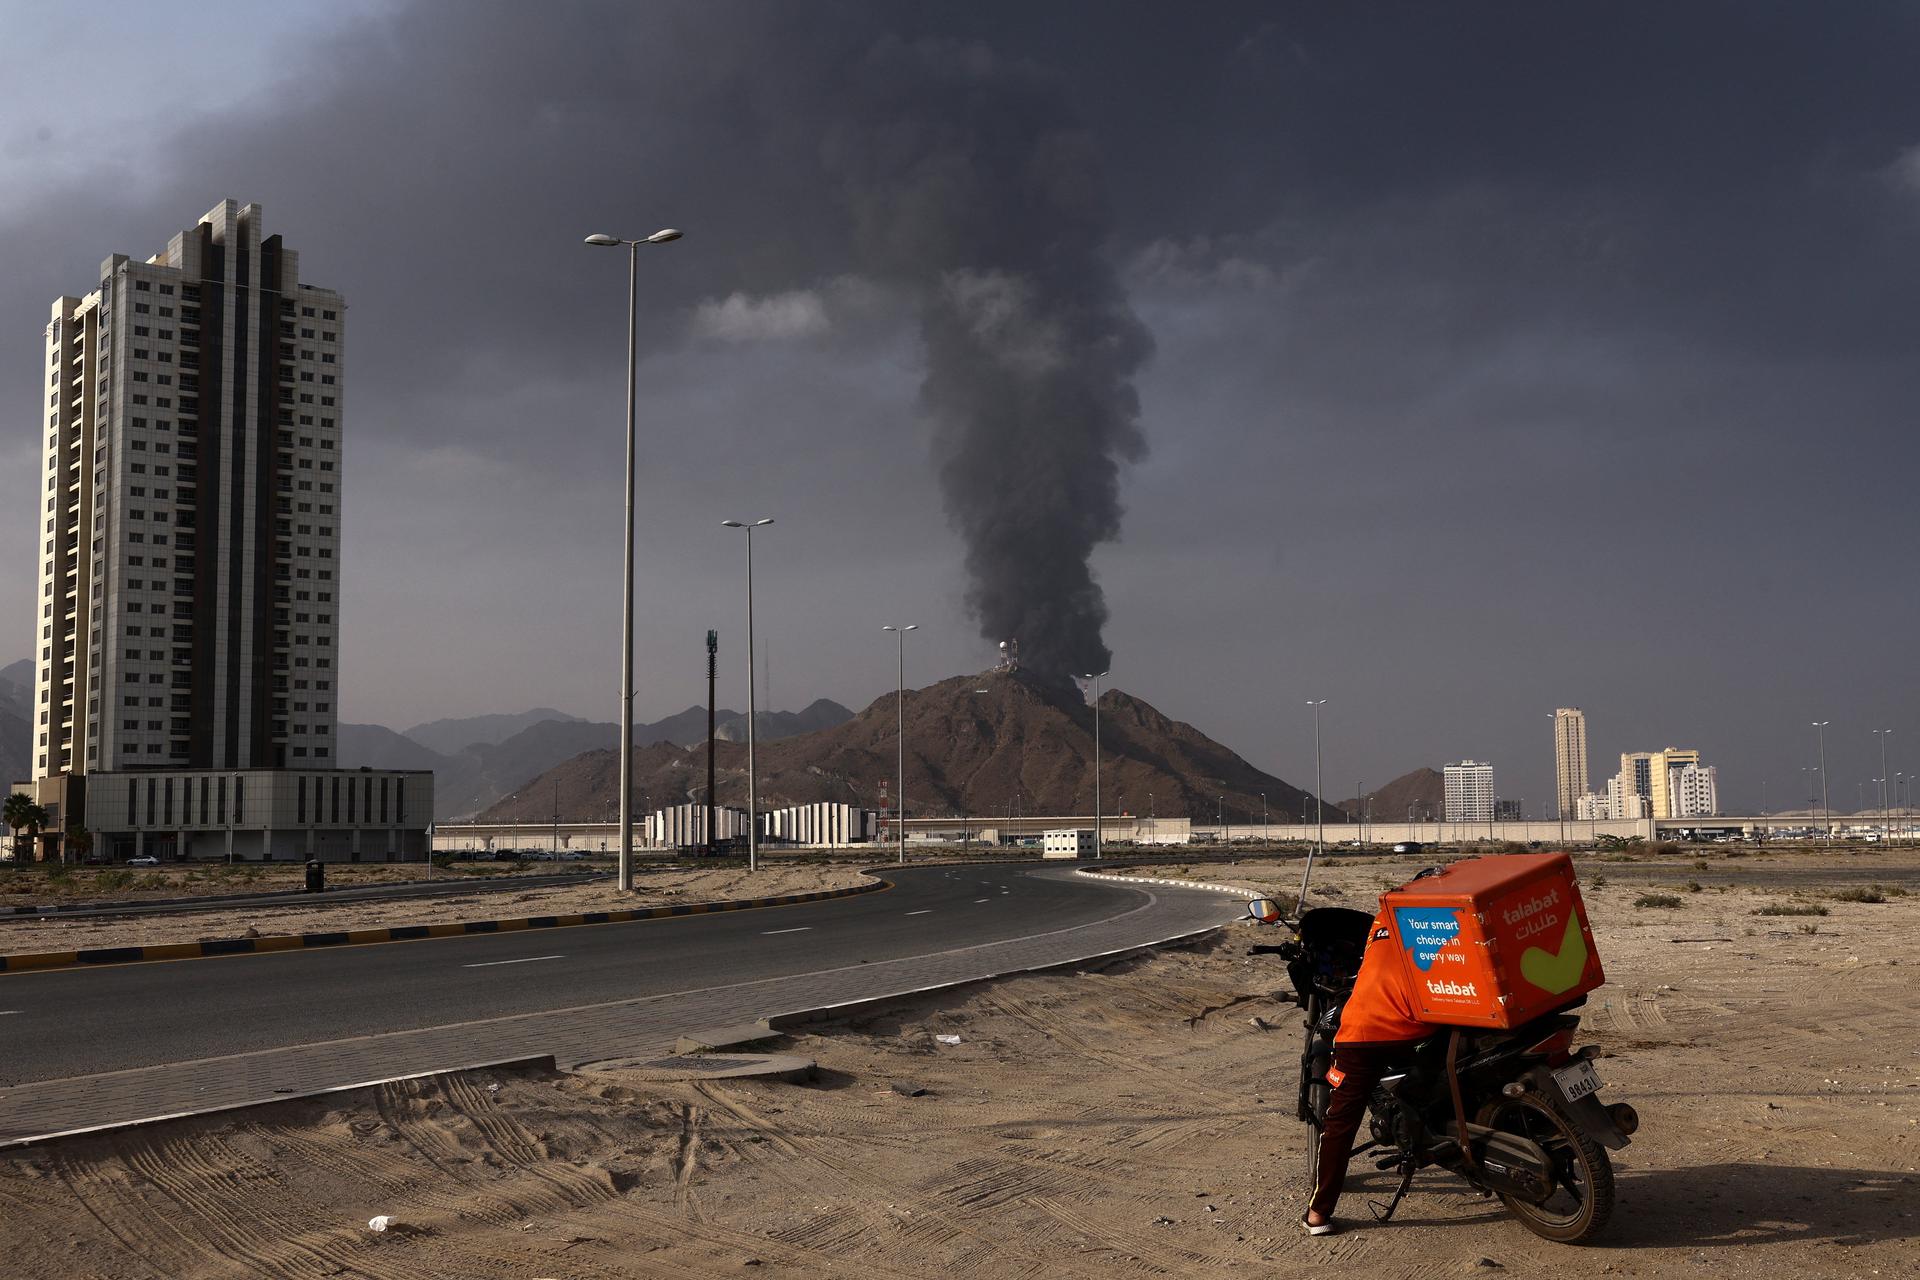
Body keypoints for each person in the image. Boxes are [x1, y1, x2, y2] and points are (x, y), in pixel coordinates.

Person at [1302, 902, 1437, 1236]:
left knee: (1340, 1121)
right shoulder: (1443, 925)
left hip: (1367, 1034)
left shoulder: (1382, 923)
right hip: (1428, 1029)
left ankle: (1318, 1214)